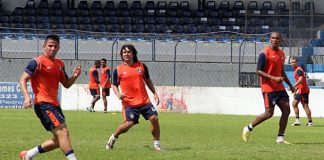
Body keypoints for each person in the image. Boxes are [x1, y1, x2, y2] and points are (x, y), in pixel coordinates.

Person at [18, 34, 81, 160]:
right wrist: (26, 97)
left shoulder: (59, 64)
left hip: (55, 105)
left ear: (59, 48)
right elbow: (22, 79)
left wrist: (74, 76)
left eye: (55, 46)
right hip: (43, 104)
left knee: (59, 140)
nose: (52, 48)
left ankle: (29, 154)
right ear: (44, 46)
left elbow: (66, 84)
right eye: (50, 45)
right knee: (63, 132)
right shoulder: (37, 62)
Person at [105, 44, 162, 151]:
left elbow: (148, 80)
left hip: (144, 101)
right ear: (122, 55)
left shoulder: (142, 66)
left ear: (133, 53)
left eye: (128, 52)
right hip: (129, 103)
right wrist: (119, 95)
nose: (126, 54)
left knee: (154, 118)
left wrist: (154, 93)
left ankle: (157, 145)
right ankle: (113, 138)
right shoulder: (118, 70)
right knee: (128, 125)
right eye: (124, 52)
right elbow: (114, 85)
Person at [242, 32, 295, 144]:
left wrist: (290, 85)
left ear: (280, 40)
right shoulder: (264, 53)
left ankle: (280, 137)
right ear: (270, 39)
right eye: (273, 38)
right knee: (269, 114)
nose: (275, 40)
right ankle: (248, 128)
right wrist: (273, 78)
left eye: (277, 38)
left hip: (280, 88)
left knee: (286, 111)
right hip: (268, 88)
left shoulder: (282, 54)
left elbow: (281, 71)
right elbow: (258, 71)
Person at [290, 57, 313, 126]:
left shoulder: (299, 70)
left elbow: (301, 80)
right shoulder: (296, 70)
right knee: (294, 104)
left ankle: (310, 122)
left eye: (294, 62)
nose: (293, 64)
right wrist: (295, 90)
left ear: (297, 62)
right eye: (291, 62)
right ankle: (297, 121)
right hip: (300, 90)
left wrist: (292, 87)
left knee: (305, 106)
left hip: (303, 91)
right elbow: (300, 82)